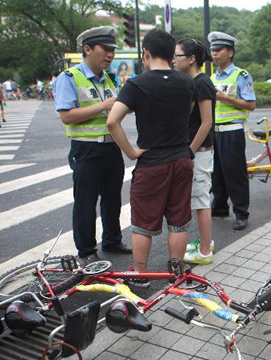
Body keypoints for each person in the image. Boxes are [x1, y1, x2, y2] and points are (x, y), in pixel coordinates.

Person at [107, 30, 195, 284]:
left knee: (143, 222)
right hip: (181, 159)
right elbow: (187, 111)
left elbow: (113, 121)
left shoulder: (136, 84)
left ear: (146, 53)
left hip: (152, 163)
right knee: (178, 220)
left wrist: (131, 153)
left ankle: (140, 274)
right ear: (171, 55)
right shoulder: (186, 82)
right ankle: (176, 273)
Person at [54, 25, 131, 265]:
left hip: (111, 147)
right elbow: (66, 116)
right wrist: (103, 106)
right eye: (105, 49)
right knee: (86, 202)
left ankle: (112, 240)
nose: (110, 54)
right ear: (87, 49)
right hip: (86, 149)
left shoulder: (109, 78)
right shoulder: (69, 78)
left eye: (113, 50)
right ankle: (86, 251)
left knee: (112, 199)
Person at [208, 31, 256, 231]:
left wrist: (226, 98)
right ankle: (219, 207)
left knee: (235, 174)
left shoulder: (241, 75)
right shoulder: (212, 76)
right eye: (212, 50)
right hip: (214, 131)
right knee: (216, 172)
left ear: (231, 52)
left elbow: (251, 104)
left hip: (232, 131)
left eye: (218, 50)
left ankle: (241, 213)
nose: (214, 54)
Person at [174, 38, 217, 264]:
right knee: (199, 199)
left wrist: (189, 151)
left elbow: (206, 122)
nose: (173, 60)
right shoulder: (194, 82)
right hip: (197, 150)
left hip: (200, 150)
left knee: (200, 201)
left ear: (191, 59)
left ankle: (204, 254)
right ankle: (205, 242)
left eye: (177, 55)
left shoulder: (201, 83)